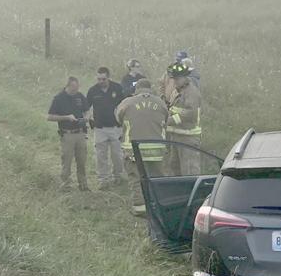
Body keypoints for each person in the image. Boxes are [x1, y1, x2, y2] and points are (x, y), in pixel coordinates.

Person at [116, 78, 168, 215]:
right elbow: (166, 118)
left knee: (136, 178)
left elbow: (118, 117)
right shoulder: (160, 102)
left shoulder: (127, 102)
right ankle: (159, 205)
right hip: (156, 150)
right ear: (150, 88)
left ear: (136, 89)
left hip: (134, 150)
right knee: (156, 178)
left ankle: (140, 208)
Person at [47, 76, 89, 192]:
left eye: (77, 88)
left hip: (80, 132)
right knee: (67, 160)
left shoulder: (80, 96)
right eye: (73, 88)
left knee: (82, 160)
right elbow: (50, 117)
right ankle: (66, 185)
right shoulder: (59, 98)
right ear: (67, 86)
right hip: (67, 134)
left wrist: (86, 117)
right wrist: (66, 117)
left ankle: (83, 184)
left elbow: (86, 110)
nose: (75, 90)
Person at [86, 67, 125, 189]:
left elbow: (124, 105)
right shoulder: (93, 91)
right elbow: (86, 108)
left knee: (117, 155)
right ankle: (103, 180)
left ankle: (117, 177)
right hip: (100, 128)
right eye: (99, 79)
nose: (101, 81)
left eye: (103, 79)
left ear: (108, 77)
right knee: (100, 156)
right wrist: (89, 118)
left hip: (115, 128)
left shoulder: (117, 88)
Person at [165, 62, 203, 175]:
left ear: (185, 77)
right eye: (174, 78)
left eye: (177, 78)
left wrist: (170, 121)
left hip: (188, 137)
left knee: (189, 170)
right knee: (175, 167)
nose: (175, 81)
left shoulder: (191, 92)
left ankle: (192, 191)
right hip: (176, 136)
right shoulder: (177, 90)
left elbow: (191, 113)